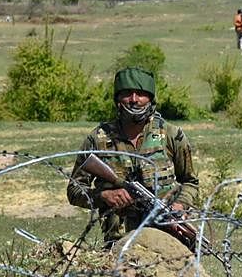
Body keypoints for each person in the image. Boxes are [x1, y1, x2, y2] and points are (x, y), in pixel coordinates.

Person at [67, 67, 200, 247]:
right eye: (127, 94)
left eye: (141, 94)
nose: (134, 100)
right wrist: (104, 195)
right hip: (119, 244)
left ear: (151, 98)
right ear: (117, 99)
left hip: (167, 239)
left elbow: (190, 182)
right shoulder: (97, 138)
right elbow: (74, 191)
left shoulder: (170, 135)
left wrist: (179, 207)